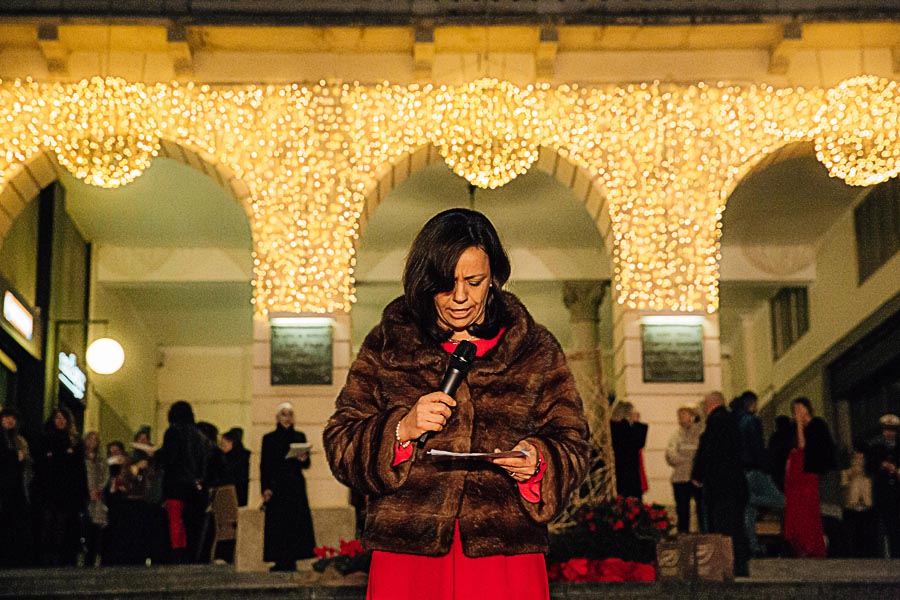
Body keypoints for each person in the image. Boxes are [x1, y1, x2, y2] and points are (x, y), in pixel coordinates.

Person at [324, 208, 590, 600]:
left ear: (494, 278)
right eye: (446, 284)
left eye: (474, 281)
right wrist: (401, 429)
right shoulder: (387, 344)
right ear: (423, 281)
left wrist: (538, 462)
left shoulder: (535, 349)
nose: (461, 296)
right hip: (409, 556)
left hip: (504, 554)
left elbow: (573, 442)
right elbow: (340, 441)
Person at [691, 391, 749, 577]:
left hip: (720, 486)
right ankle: (740, 565)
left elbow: (707, 453)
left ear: (709, 405)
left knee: (723, 528)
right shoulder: (734, 422)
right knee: (737, 526)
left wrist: (697, 475)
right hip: (736, 484)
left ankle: (726, 566)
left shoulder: (715, 424)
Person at [260, 402, 316, 571]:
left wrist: (303, 459)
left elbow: (306, 464)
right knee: (278, 524)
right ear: (277, 417)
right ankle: (280, 560)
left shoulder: (299, 436)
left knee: (295, 523)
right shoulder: (268, 438)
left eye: (290, 414)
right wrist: (265, 488)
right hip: (277, 486)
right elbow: (265, 465)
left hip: (295, 486)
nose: (287, 418)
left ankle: (293, 558)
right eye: (284, 414)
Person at [31, 407, 89, 566]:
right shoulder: (45, 439)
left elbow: (79, 469)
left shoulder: (75, 442)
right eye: (57, 418)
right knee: (49, 523)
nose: (60, 421)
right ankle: (47, 557)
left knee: (64, 524)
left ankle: (62, 557)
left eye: (63, 418)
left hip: (68, 493)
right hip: (49, 491)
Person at [731, 391, 784, 556]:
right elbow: (757, 447)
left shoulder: (734, 421)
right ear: (751, 404)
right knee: (781, 501)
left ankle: (752, 546)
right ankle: (749, 499)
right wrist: (766, 467)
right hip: (755, 469)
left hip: (741, 471)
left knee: (749, 512)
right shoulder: (751, 421)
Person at [156, 400, 210, 563]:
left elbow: (169, 458)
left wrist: (157, 456)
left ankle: (178, 554)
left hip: (175, 484)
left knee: (175, 520)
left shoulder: (173, 432)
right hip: (194, 486)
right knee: (191, 523)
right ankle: (190, 554)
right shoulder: (199, 436)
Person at [781, 397, 835, 559]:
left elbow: (804, 447)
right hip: (798, 476)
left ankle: (812, 544)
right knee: (798, 511)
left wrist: (799, 425)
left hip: (810, 474)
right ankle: (800, 545)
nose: (797, 413)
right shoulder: (795, 430)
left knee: (809, 511)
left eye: (800, 408)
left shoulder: (816, 425)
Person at [0, 407, 33, 566]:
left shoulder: (19, 440)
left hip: (16, 487)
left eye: (12, 418)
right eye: (6, 417)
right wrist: (15, 457)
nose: (9, 421)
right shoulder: (6, 440)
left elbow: (26, 465)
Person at [865, 413, 900, 558]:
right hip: (883, 492)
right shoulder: (876, 447)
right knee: (886, 524)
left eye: (891, 430)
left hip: (897, 491)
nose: (889, 433)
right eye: (886, 429)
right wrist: (881, 465)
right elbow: (870, 467)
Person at [665, 405, 703, 533]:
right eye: (679, 415)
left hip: (696, 478)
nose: (680, 418)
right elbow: (670, 454)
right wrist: (688, 459)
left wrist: (685, 457)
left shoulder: (699, 433)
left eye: (683, 415)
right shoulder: (676, 435)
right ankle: (683, 536)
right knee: (682, 511)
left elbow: (700, 454)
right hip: (680, 478)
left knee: (701, 510)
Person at [841, 448, 878, 557]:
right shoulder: (847, 470)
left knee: (865, 534)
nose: (858, 456)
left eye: (860, 452)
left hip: (865, 505)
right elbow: (844, 487)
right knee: (855, 534)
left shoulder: (869, 470)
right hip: (852, 505)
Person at [609, 400, 648, 499]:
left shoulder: (611, 428)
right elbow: (638, 443)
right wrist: (636, 424)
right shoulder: (625, 429)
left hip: (617, 474)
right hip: (629, 475)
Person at [83, 431, 108, 567]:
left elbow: (105, 475)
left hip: (97, 497)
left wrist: (98, 489)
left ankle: (92, 557)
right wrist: (87, 491)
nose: (93, 442)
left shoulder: (101, 460)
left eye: (95, 439)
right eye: (90, 439)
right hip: (85, 496)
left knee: (96, 528)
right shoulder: (82, 458)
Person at [221, 428, 250, 507]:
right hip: (242, 495)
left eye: (223, 444)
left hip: (232, 494)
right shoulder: (246, 454)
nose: (221, 448)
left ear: (231, 443)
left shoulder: (227, 458)